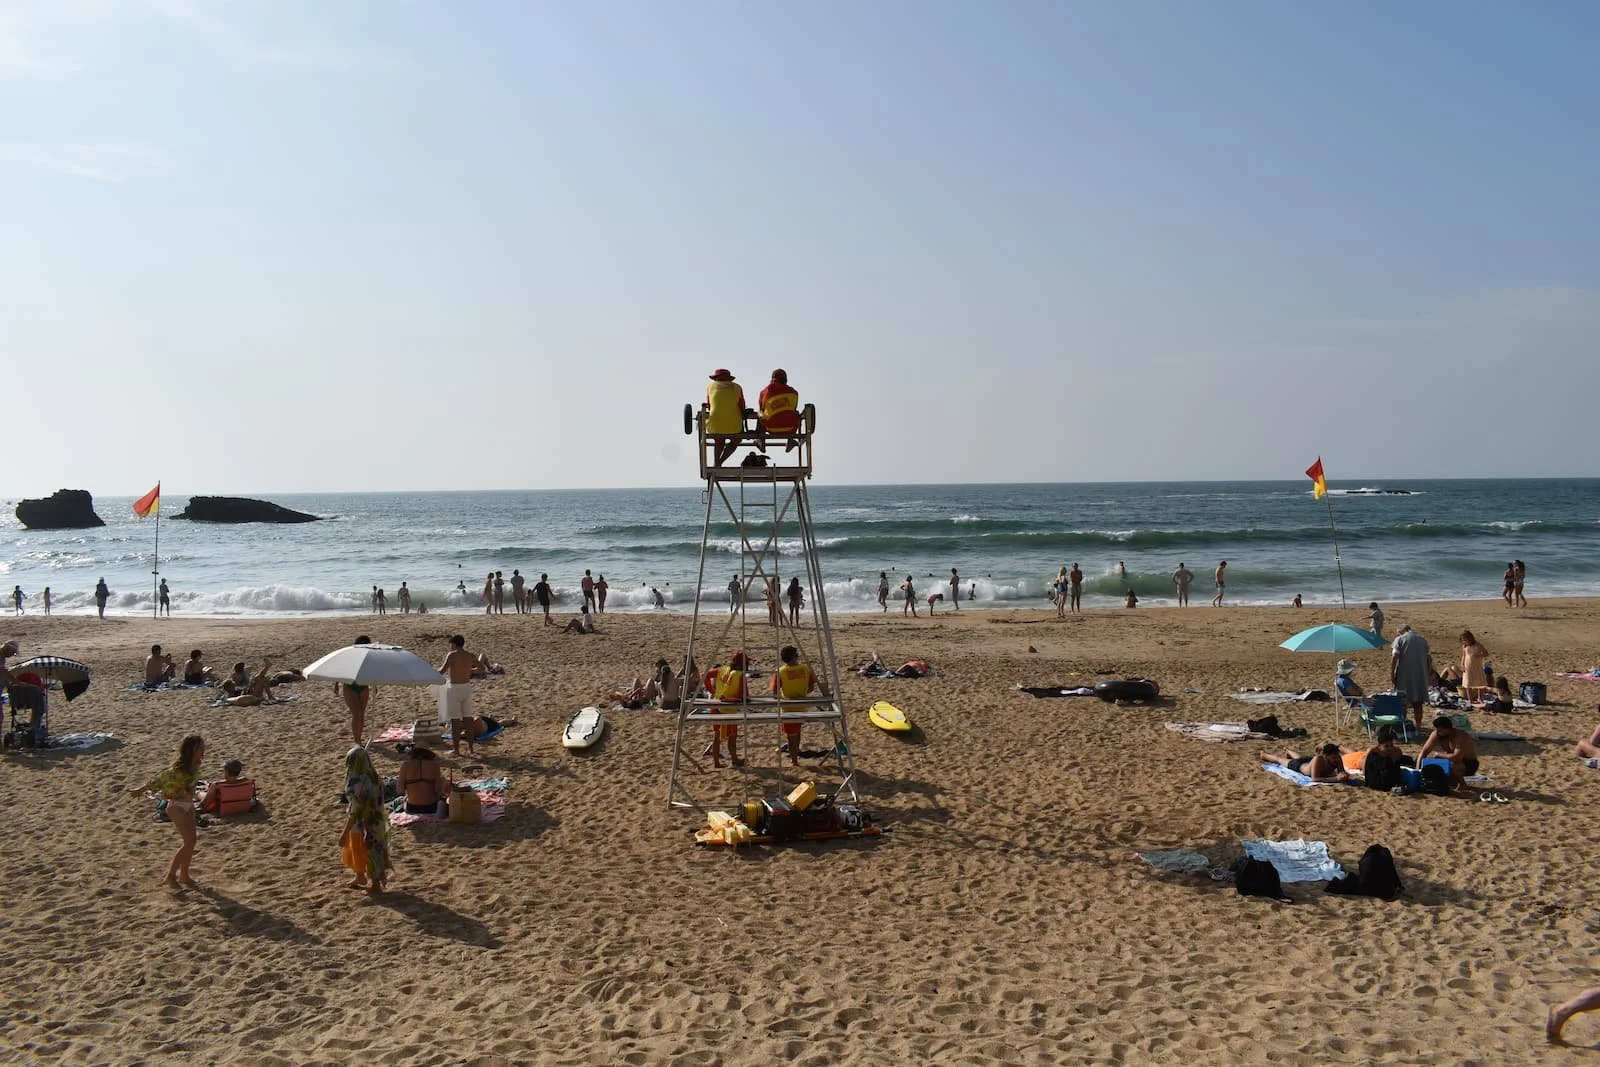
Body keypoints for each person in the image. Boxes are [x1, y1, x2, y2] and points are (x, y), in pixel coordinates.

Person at [143, 734, 205, 889]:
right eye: (200, 748)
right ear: (191, 750)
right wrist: (140, 789)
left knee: (192, 842)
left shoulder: (195, 765)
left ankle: (184, 876)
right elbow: (158, 779)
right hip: (176, 806)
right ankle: (170, 876)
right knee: (188, 841)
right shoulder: (176, 769)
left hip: (189, 805)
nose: (203, 751)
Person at [340, 746, 392, 895]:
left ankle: (374, 885)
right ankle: (360, 876)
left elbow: (355, 812)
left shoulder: (355, 783)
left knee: (369, 850)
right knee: (370, 849)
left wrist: (344, 833)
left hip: (365, 820)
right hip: (377, 819)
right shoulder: (374, 776)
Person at [438, 635, 486, 756]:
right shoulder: (470, 656)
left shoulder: (452, 655)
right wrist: (470, 671)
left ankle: (456, 750)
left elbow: (443, 670)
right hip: (466, 688)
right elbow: (481, 668)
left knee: (455, 721)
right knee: (468, 719)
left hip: (454, 688)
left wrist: (430, 672)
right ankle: (471, 748)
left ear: (454, 644)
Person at [771, 645, 818, 766]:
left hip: (788, 708)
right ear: (794, 657)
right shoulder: (805, 669)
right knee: (797, 733)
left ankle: (794, 761)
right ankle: (795, 755)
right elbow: (811, 687)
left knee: (791, 737)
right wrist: (801, 693)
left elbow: (775, 691)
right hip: (801, 706)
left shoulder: (781, 671)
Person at [705, 650, 747, 767]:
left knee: (717, 735)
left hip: (716, 704)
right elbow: (744, 695)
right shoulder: (739, 675)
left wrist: (711, 690)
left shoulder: (721, 670)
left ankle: (717, 762)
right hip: (729, 708)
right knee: (732, 735)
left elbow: (705, 675)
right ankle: (734, 759)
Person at [1418, 715, 1479, 789]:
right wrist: (1418, 771)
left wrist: (1438, 754)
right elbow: (1423, 752)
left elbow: (1457, 758)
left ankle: (1463, 784)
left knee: (1453, 766)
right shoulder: (1437, 734)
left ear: (1448, 729)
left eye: (1440, 731)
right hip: (1450, 759)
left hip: (1468, 763)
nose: (1438, 732)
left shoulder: (1461, 737)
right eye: (1437, 730)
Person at [1390, 625, 1432, 730]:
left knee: (1402, 701)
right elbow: (1429, 658)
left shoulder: (1399, 639)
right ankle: (1418, 725)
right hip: (1420, 674)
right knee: (1418, 702)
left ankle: (1403, 725)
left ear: (1401, 631)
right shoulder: (1422, 640)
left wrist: (1392, 673)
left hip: (1404, 674)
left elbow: (1395, 657)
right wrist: (1427, 672)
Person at [336, 635, 373, 744]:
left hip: (363, 686)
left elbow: (372, 672)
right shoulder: (350, 656)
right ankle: (357, 740)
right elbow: (340, 669)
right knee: (356, 714)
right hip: (349, 686)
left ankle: (359, 738)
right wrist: (336, 684)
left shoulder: (368, 657)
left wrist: (375, 685)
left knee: (361, 714)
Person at [706, 368, 746, 466]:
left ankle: (716, 463)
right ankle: (721, 461)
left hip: (715, 423)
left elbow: (709, 405)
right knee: (736, 440)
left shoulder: (710, 387)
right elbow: (742, 406)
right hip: (734, 424)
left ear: (716, 379)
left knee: (719, 440)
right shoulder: (737, 387)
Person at [757, 368, 801, 451]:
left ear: (772, 378)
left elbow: (761, 410)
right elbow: (793, 409)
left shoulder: (764, 392)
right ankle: (790, 440)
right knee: (796, 413)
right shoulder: (794, 392)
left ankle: (761, 440)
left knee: (760, 413)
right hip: (790, 428)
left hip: (770, 428)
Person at [1262, 743, 1351, 783]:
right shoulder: (1318, 759)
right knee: (1280, 760)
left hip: (1308, 763)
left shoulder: (1337, 758)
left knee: (1300, 757)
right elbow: (1315, 778)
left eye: (1336, 757)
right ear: (1325, 756)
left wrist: (1344, 775)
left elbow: (1341, 772)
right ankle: (1264, 755)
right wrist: (1336, 779)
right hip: (1299, 766)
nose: (1336, 759)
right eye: (1333, 758)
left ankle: (1288, 751)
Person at [397, 746, 447, 815]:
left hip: (412, 808)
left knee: (400, 800)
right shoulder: (434, 766)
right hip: (431, 807)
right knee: (442, 780)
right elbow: (437, 789)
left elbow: (400, 790)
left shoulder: (405, 765)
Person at [1459, 630, 1491, 700]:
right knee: (1468, 683)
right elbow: (1463, 656)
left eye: (1465, 639)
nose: (1464, 641)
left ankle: (1480, 698)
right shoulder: (1464, 646)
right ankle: (1470, 699)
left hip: (1477, 667)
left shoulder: (1477, 645)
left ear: (1470, 638)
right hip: (1468, 667)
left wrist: (1479, 655)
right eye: (1463, 640)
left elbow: (1486, 653)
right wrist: (1462, 665)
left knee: (1480, 683)